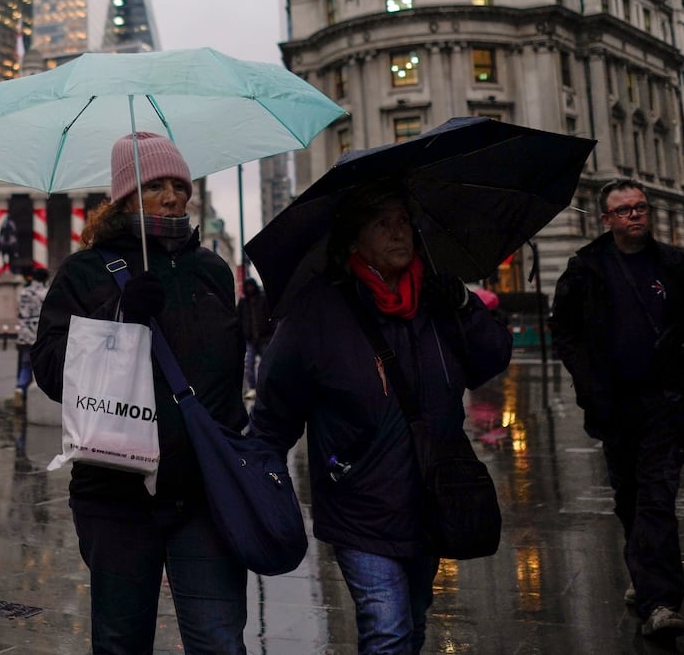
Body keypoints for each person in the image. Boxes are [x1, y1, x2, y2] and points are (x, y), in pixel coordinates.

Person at [250, 184, 511, 655]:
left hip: (431, 495)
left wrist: (465, 305)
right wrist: (261, 482)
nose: (399, 234)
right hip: (360, 503)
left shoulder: (436, 300)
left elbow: (491, 359)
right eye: (382, 224)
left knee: (412, 619)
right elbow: (275, 409)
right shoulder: (317, 311)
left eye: (404, 222)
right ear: (354, 240)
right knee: (386, 628)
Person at [32, 132, 247, 653]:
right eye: (155, 186)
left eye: (179, 184)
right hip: (116, 492)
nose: (173, 196)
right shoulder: (85, 272)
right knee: (121, 640)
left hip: (204, 489)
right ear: (125, 196)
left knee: (220, 640)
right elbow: (50, 370)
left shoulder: (212, 270)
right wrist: (120, 318)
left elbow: (229, 373)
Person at [549, 179, 684, 642]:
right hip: (613, 407)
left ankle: (662, 602)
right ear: (606, 218)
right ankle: (645, 576)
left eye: (640, 208)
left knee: (657, 497)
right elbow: (563, 330)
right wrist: (589, 385)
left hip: (665, 404)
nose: (635, 216)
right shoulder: (586, 267)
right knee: (629, 497)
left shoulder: (678, 265)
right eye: (623, 210)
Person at [15, 266, 48, 399]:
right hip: (39, 333)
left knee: (25, 364)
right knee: (42, 365)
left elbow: (20, 312)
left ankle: (20, 388)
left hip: (24, 333)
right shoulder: (45, 293)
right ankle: (38, 393)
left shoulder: (24, 292)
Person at [237, 277, 272, 399]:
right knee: (249, 364)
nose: (250, 289)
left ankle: (263, 388)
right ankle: (253, 388)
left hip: (263, 338)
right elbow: (239, 318)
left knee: (265, 364)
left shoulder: (262, 299)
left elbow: (269, 316)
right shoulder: (243, 302)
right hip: (250, 339)